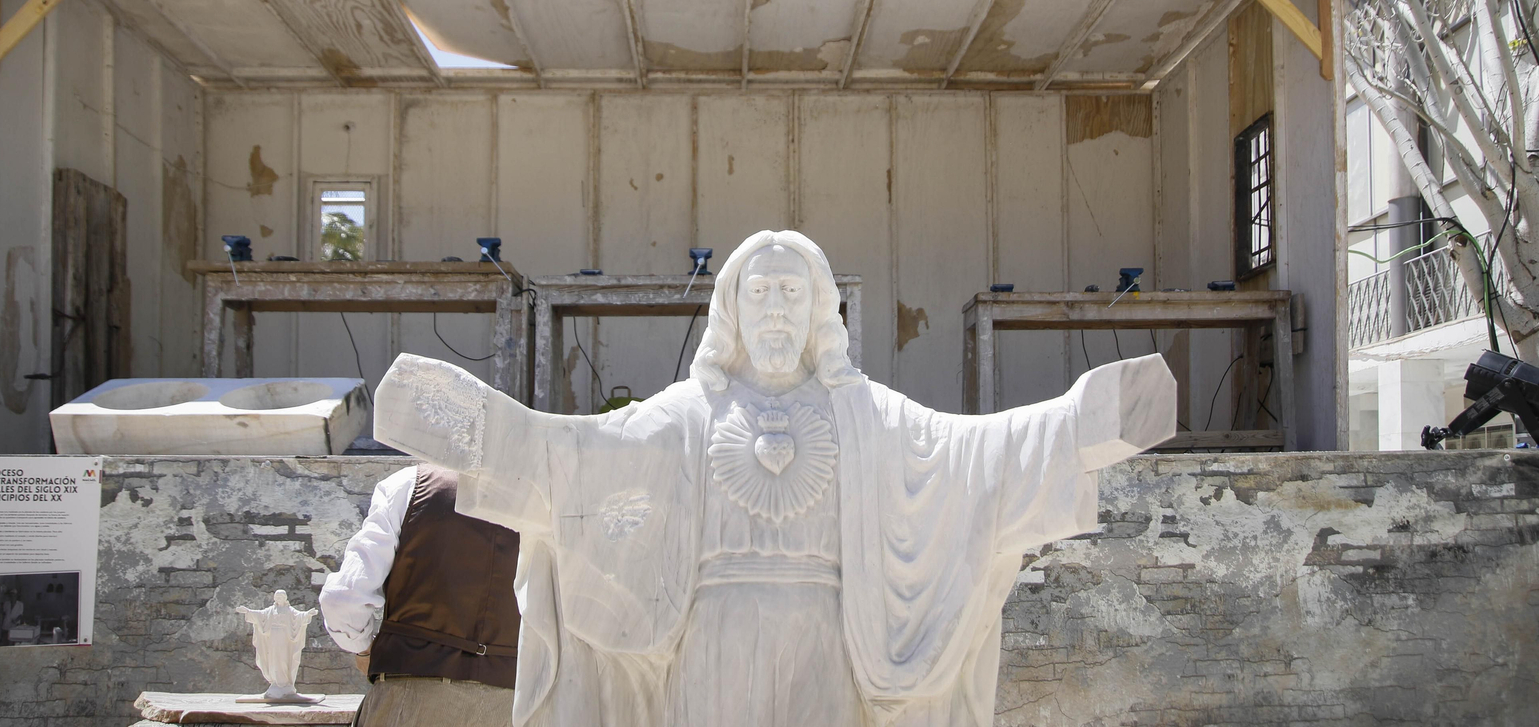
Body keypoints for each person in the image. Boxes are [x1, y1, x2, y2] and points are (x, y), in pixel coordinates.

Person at [373, 229, 1177, 727]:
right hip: (711, 647)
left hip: (827, 646)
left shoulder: (868, 416)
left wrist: (1078, 424)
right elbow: (578, 456)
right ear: (732, 310)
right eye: (759, 292)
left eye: (793, 292)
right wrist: (479, 425)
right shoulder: (689, 412)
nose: (776, 308)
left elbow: (970, 455)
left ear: (822, 309)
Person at [321, 462, 521, 727]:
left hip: (410, 696)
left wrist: (363, 648)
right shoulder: (544, 503)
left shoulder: (408, 485)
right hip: (510, 706)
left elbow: (343, 598)